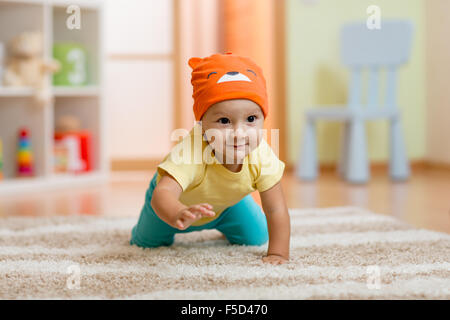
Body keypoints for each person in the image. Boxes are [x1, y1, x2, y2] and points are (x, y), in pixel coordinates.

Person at [130, 52, 290, 265]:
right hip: (173, 206)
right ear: (202, 124)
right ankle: (165, 223)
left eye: (251, 119)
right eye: (224, 121)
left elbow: (276, 208)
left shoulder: (261, 154)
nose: (239, 133)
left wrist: (278, 254)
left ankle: (229, 216)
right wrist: (178, 212)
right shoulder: (191, 151)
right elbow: (164, 193)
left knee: (258, 236)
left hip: (227, 205)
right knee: (145, 244)